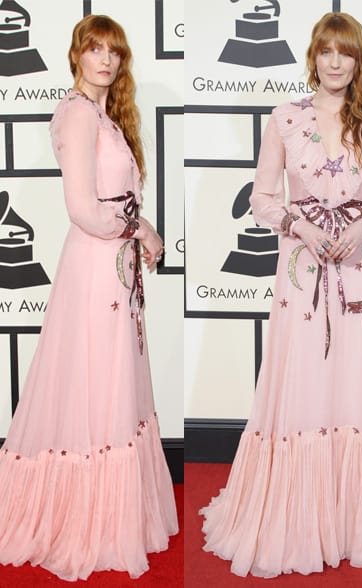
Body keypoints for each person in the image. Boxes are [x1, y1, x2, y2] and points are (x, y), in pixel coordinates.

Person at [200, 11, 362, 578]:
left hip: (359, 269)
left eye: (346, 53)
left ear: (359, 60)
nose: (335, 63)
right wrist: (299, 226)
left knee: (355, 385)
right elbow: (261, 198)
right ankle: (296, 521)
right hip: (301, 270)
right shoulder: (284, 118)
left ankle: (357, 521)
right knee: (304, 384)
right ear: (314, 56)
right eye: (327, 52)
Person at [0, 15, 178, 581]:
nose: (105, 59)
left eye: (115, 52)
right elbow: (83, 207)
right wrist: (141, 230)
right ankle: (82, 521)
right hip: (97, 265)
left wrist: (139, 225)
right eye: (94, 49)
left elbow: (117, 200)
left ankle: (110, 515)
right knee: (94, 383)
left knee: (113, 384)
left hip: (116, 266)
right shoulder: (77, 114)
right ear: (76, 55)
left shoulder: (107, 116)